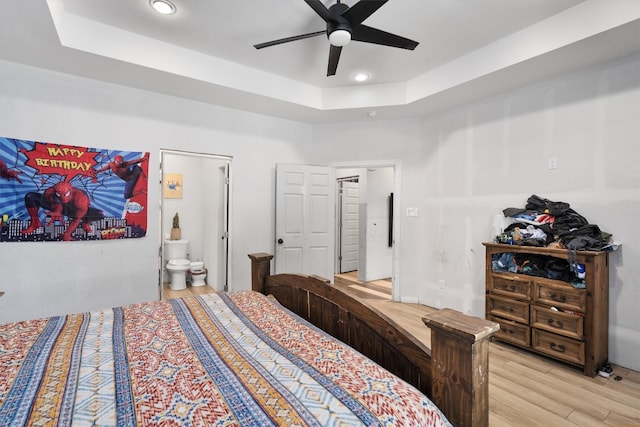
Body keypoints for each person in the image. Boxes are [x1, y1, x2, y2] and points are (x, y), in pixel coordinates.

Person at [21, 181, 103, 241]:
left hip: (72, 210)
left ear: (71, 192)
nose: (63, 197)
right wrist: (57, 210)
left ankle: (85, 223)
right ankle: (35, 223)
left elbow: (77, 218)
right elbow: (54, 201)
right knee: (30, 196)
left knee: (100, 214)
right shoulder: (50, 191)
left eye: (65, 194)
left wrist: (67, 234)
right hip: (56, 207)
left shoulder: (81, 199)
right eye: (59, 195)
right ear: (55, 192)